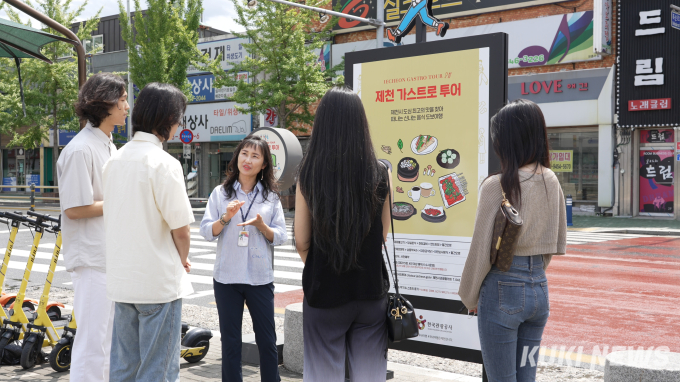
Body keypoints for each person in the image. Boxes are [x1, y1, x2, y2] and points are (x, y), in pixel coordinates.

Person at [459, 99, 567, 382]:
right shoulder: (551, 179)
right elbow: (554, 243)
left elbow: (481, 250)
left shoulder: (497, 185)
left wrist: (470, 296)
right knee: (525, 377)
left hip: (502, 290)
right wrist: (533, 274)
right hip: (539, 291)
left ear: (506, 141)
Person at [294, 87, 393, 382]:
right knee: (369, 374)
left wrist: (322, 265)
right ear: (360, 123)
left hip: (324, 291)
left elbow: (301, 241)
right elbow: (383, 236)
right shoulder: (380, 172)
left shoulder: (309, 173)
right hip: (370, 290)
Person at [102, 83, 194, 382]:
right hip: (157, 281)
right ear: (167, 118)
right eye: (178, 119)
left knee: (124, 367)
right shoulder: (164, 163)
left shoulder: (114, 160)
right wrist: (183, 259)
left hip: (122, 279)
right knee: (159, 369)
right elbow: (181, 229)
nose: (179, 126)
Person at [57, 72, 128, 382]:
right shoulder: (80, 149)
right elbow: (74, 208)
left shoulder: (106, 144)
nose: (127, 106)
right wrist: (121, 202)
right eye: (123, 100)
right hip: (93, 259)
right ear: (105, 105)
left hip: (108, 256)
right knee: (91, 342)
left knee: (109, 340)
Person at [199, 134, 287, 382]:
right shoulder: (220, 193)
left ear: (264, 164)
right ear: (237, 157)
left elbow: (281, 236)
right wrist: (225, 218)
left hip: (259, 278)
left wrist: (262, 226)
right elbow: (207, 231)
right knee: (230, 343)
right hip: (227, 278)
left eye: (255, 156)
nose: (247, 159)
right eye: (244, 154)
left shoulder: (270, 197)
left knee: (267, 341)